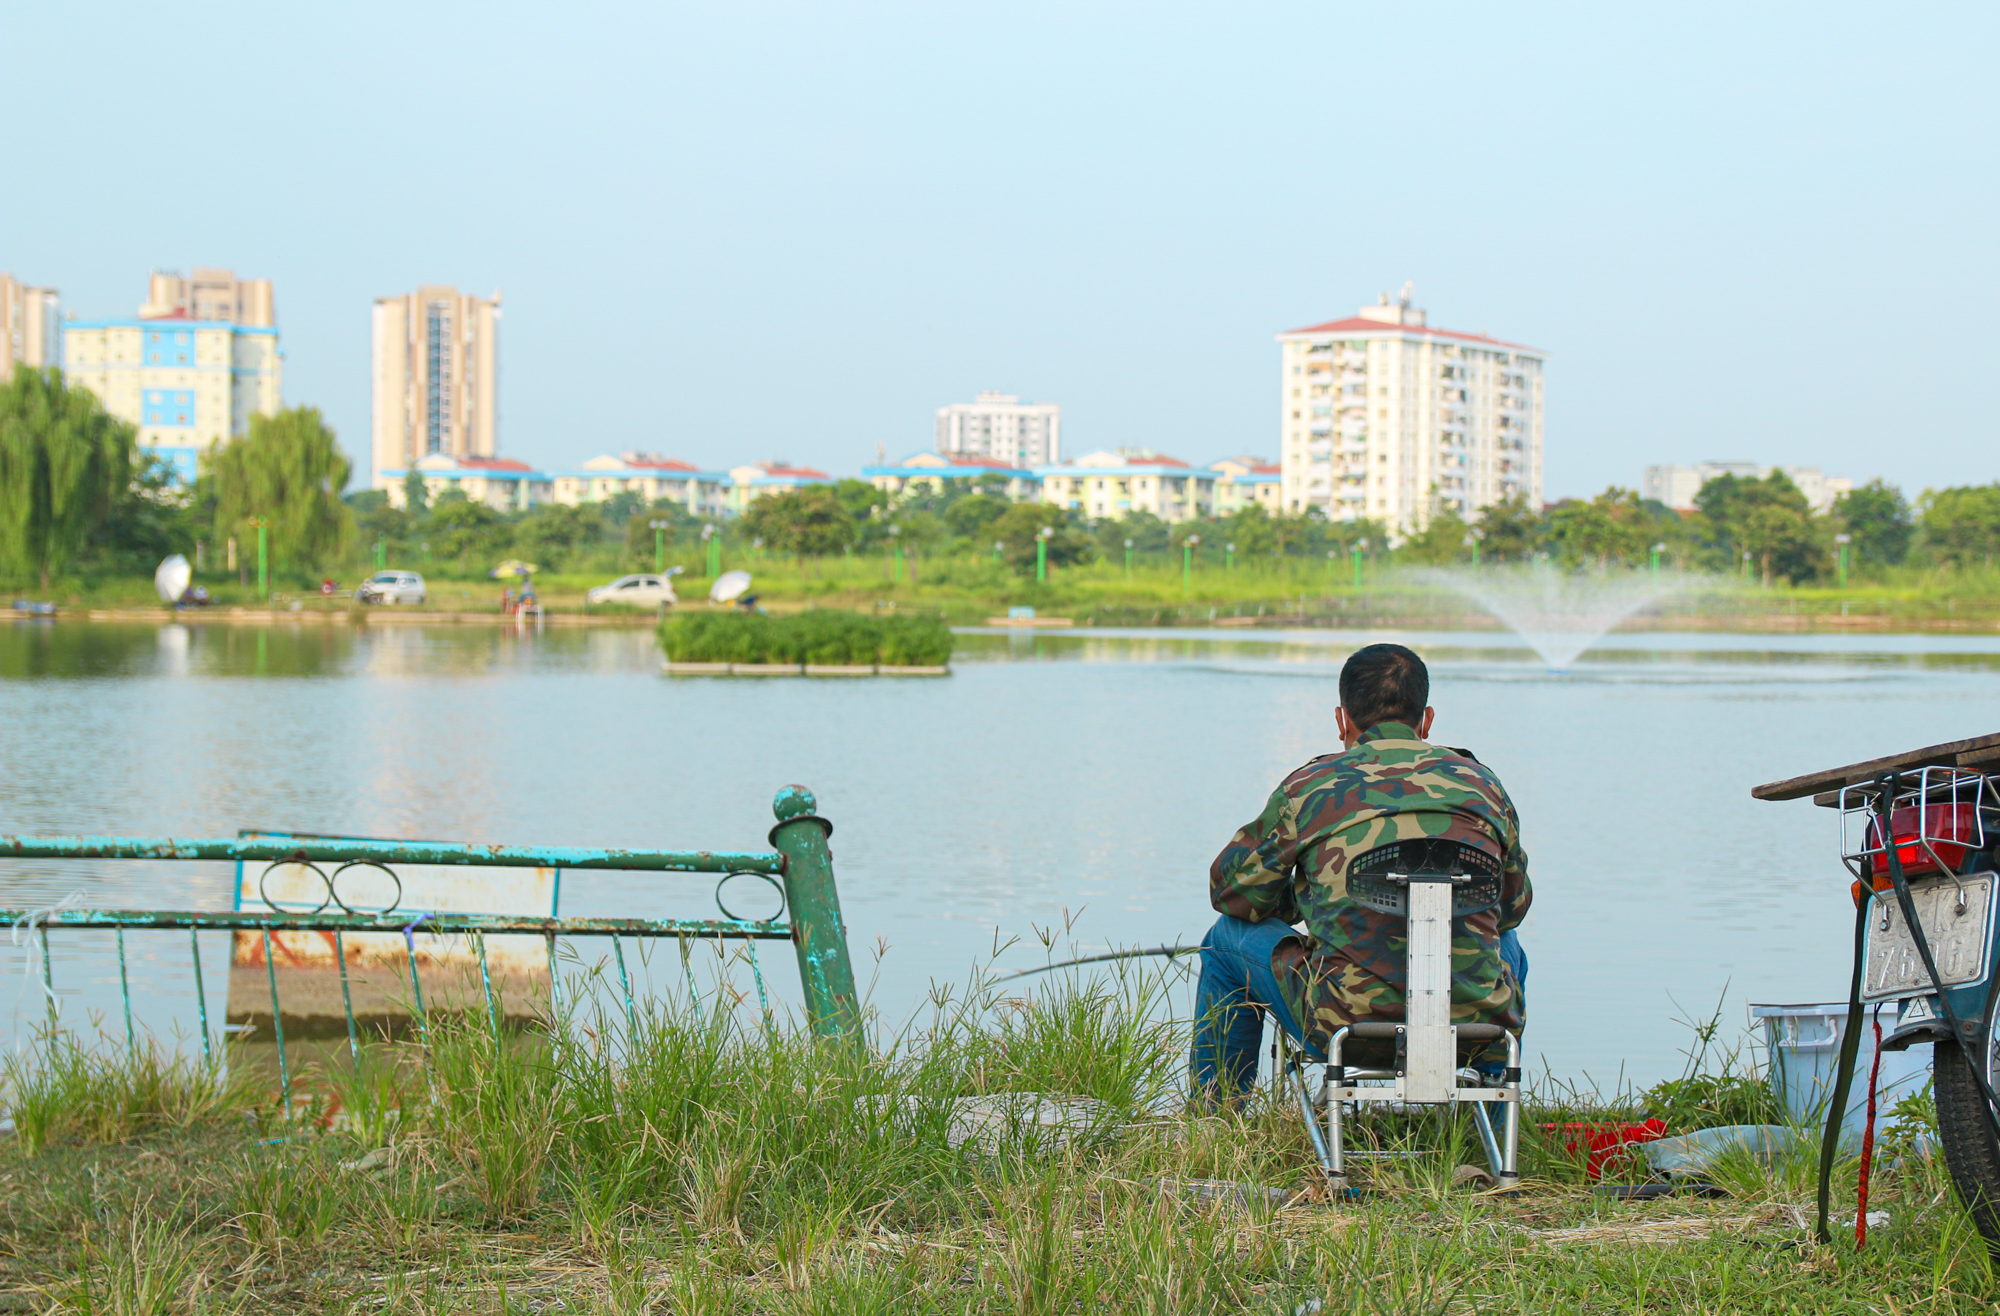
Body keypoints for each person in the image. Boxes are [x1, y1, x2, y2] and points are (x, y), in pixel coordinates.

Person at [1189, 642, 1532, 1102]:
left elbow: (1232, 895)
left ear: (1342, 720)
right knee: (1506, 943)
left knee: (1223, 938)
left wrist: (1305, 894)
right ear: (1426, 720)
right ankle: (1488, 1121)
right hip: (1477, 1024)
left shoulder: (1312, 786)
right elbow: (1512, 907)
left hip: (1345, 1022)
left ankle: (1217, 1118)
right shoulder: (1483, 785)